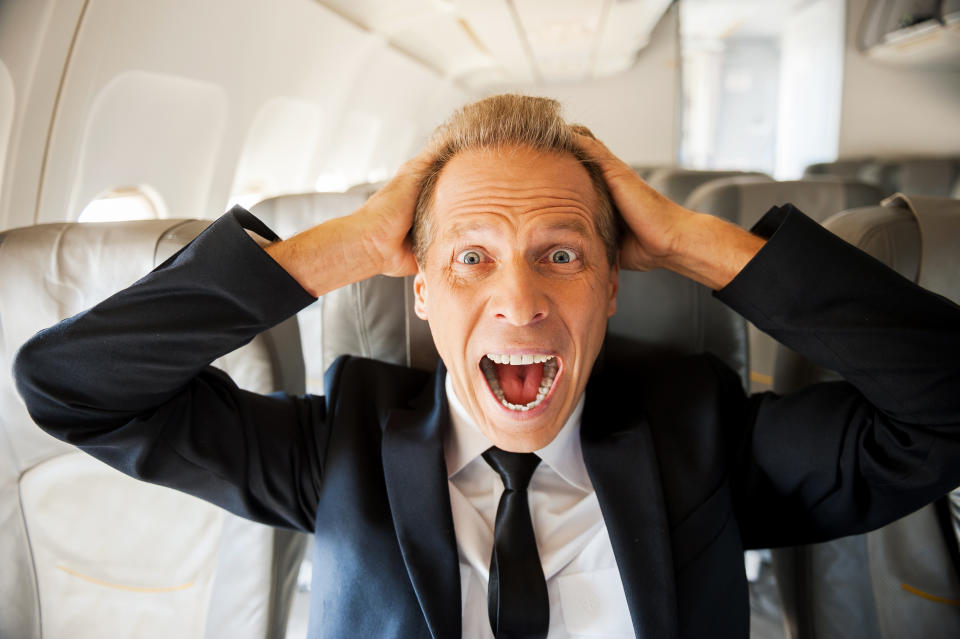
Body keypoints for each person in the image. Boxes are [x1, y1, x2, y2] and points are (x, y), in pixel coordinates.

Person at [14, 94, 960, 639]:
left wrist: (692, 242)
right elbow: (73, 387)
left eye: (562, 254)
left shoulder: (699, 432)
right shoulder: (342, 440)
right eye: (471, 258)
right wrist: (341, 245)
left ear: (615, 284)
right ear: (418, 289)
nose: (519, 300)